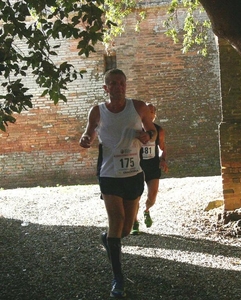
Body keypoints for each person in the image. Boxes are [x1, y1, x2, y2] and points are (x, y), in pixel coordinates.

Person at [79, 68, 157, 298]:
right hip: (109, 174)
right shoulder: (98, 111)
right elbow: (89, 134)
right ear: (106, 88)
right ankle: (118, 279)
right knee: (117, 219)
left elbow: (151, 129)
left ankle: (108, 240)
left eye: (121, 83)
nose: (117, 87)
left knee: (124, 229)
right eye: (112, 83)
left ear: (125, 85)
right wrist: (85, 140)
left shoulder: (139, 107)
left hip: (133, 174)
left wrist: (147, 136)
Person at [131, 103, 168, 235]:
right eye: (147, 111)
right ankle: (134, 222)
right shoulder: (135, 129)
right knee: (136, 197)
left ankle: (146, 210)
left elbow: (163, 148)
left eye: (151, 111)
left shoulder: (159, 130)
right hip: (138, 166)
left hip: (152, 166)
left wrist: (163, 160)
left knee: (152, 195)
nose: (149, 113)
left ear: (154, 115)